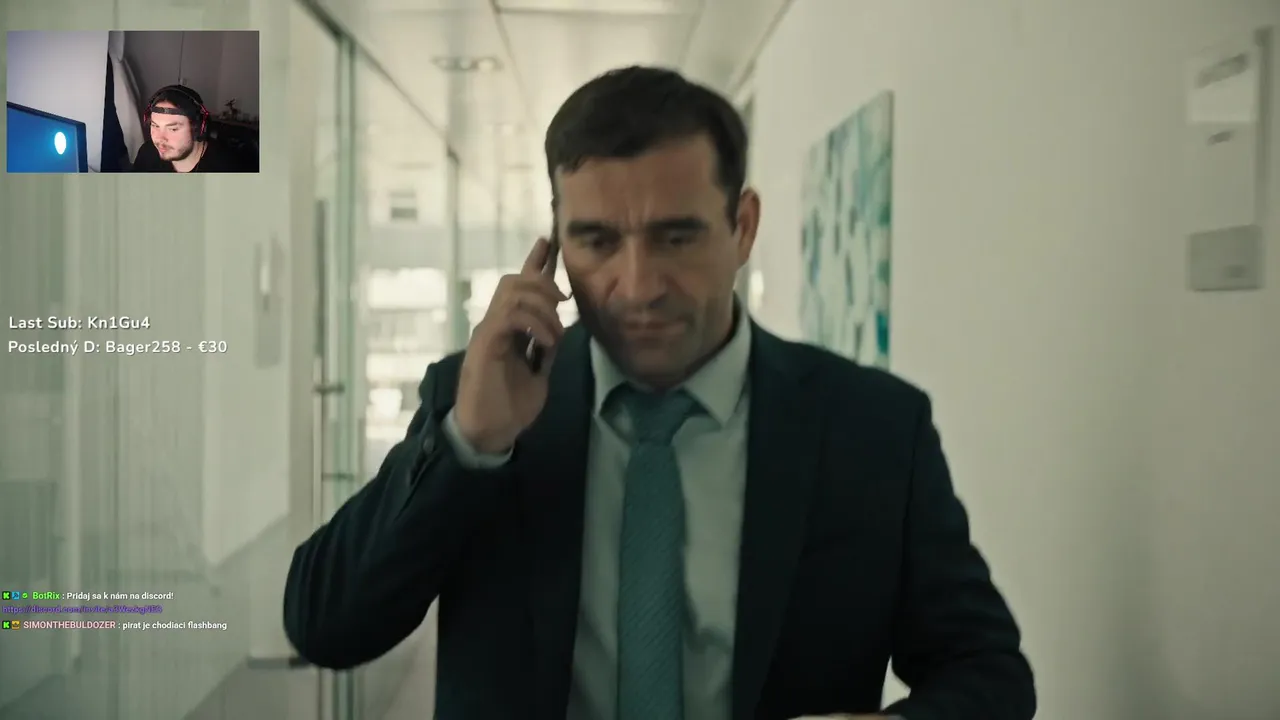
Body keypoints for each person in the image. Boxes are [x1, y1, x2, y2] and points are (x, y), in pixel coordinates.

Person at [283, 66, 1035, 720]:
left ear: (743, 227)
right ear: (554, 248)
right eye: (597, 241)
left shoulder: (873, 429)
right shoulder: (482, 403)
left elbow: (988, 671)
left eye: (676, 238)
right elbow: (325, 626)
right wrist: (469, 441)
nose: (638, 286)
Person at [131, 85, 256, 173]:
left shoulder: (228, 168)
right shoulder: (147, 153)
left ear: (198, 128)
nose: (160, 139)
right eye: (155, 126)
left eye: (173, 129)